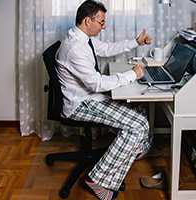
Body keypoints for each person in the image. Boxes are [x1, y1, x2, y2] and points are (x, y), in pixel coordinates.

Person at [56, 1, 152, 199]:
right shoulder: (74, 47)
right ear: (87, 20)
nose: (104, 26)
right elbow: (96, 84)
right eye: (101, 22)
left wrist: (136, 42)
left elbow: (106, 49)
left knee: (139, 105)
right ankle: (98, 178)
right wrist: (131, 75)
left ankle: (131, 151)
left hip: (88, 97)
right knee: (139, 125)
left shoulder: (82, 36)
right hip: (80, 104)